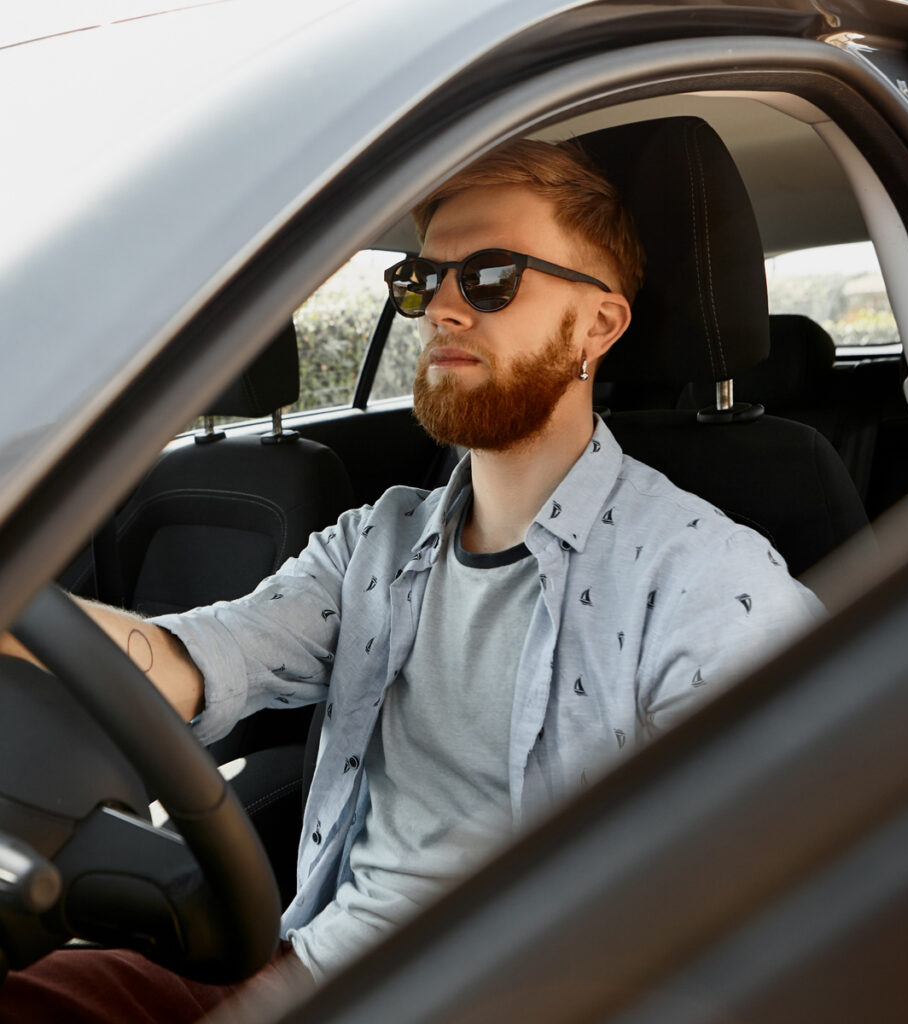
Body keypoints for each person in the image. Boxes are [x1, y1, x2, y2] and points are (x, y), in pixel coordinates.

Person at [0, 139, 820, 1020]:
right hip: (308, 961)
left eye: (493, 277)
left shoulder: (706, 582)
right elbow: (198, 655)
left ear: (599, 325)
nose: (444, 310)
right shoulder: (377, 543)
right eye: (421, 281)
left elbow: (794, 874)